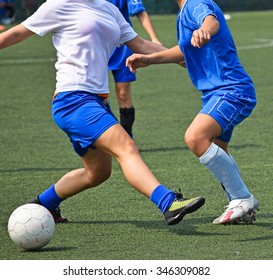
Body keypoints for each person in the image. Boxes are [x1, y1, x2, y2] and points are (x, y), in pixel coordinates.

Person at [0, 0, 205, 226]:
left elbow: (140, 44)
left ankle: (42, 204)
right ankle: (168, 203)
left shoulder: (109, 9)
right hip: (73, 100)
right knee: (126, 147)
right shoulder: (59, 4)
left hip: (96, 101)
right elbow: (18, 33)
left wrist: (179, 56)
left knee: (97, 173)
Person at [126, 0, 259, 225]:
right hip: (216, 92)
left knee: (195, 137)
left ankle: (241, 197)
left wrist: (204, 31)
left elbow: (210, 21)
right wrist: (151, 59)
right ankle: (241, 207)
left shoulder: (194, 3)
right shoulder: (183, 12)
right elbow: (184, 49)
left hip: (230, 90)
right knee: (217, 149)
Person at [107, 0, 162, 137]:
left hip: (123, 45)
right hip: (97, 44)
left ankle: (126, 137)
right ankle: (106, 137)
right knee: (97, 96)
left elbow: (140, 11)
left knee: (123, 94)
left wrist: (154, 38)